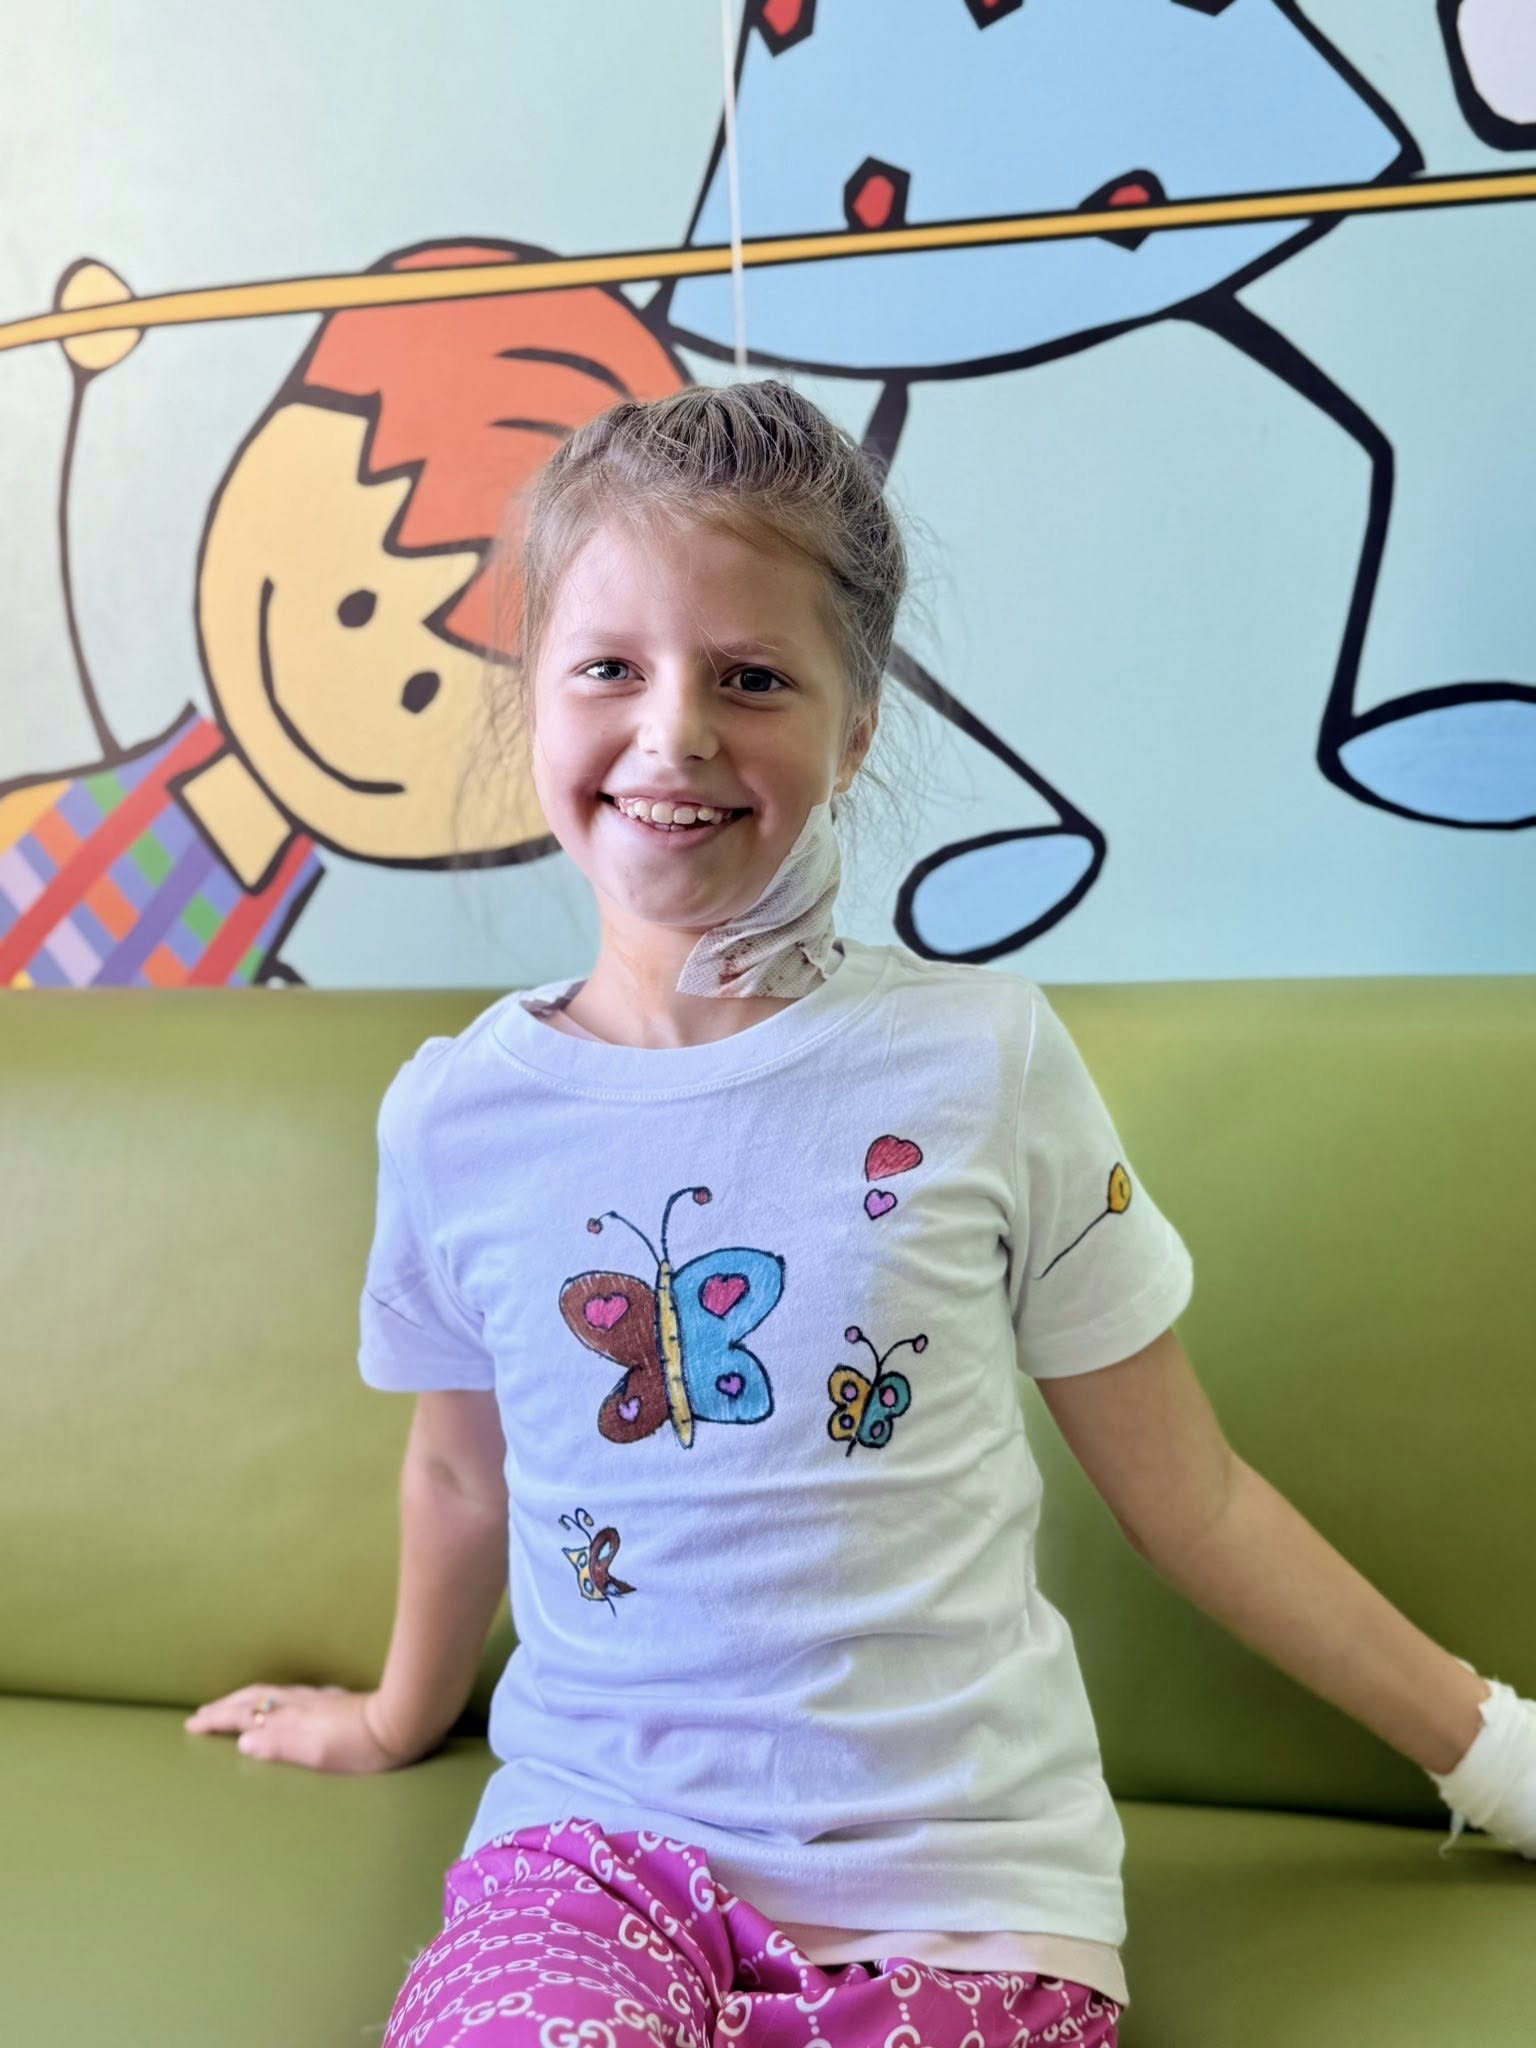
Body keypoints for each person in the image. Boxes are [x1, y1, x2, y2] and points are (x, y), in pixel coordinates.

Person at [183, 380, 1532, 2046]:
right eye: (609, 668)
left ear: (859, 725)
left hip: (968, 1893)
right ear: (532, 693)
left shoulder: (983, 1060)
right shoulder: (455, 1117)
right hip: (589, 1864)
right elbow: (464, 1473)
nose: (674, 733)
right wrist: (399, 1717)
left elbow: (1197, 1498)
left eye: (750, 677)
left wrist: (1502, 1758)